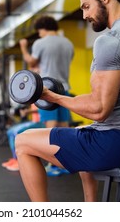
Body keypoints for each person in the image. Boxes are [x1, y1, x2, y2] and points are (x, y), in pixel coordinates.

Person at [15, 0, 120, 202]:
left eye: (86, 6)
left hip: (113, 145)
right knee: (79, 132)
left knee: (23, 141)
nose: (84, 14)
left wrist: (51, 96)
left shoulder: (109, 41)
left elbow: (99, 109)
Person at [19, 15, 74, 176]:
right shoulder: (68, 43)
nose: (39, 34)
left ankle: (55, 164)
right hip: (65, 88)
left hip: (47, 90)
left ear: (42, 28)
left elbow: (31, 62)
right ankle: (69, 163)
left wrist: (23, 47)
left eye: (39, 31)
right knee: (64, 127)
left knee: (50, 129)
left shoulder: (40, 43)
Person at [2, 103, 43, 171]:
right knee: (9, 132)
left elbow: (45, 110)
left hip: (41, 123)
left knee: (16, 132)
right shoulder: (33, 98)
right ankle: (15, 159)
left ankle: (19, 161)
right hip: (34, 121)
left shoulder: (42, 97)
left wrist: (28, 111)